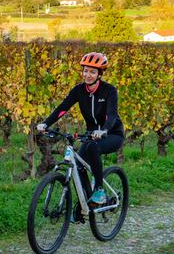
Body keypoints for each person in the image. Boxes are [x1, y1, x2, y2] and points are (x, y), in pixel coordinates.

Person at [36, 52, 124, 222]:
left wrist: (104, 130)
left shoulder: (109, 91)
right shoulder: (79, 90)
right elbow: (63, 108)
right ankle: (87, 204)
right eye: (85, 71)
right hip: (91, 135)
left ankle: (99, 190)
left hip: (112, 134)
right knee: (78, 164)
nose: (87, 75)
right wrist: (46, 123)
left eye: (92, 72)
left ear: (100, 74)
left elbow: (112, 116)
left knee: (92, 148)